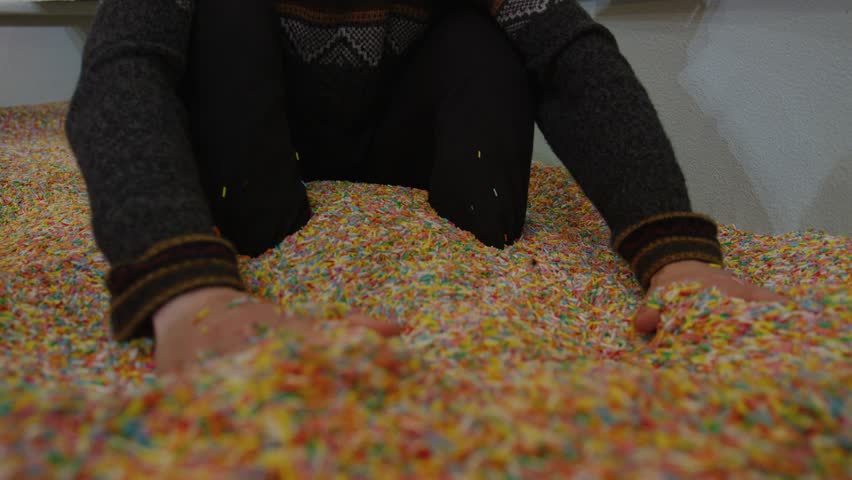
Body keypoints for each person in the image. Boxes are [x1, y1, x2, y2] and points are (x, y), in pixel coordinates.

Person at [65, 0, 785, 373]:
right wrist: (183, 287)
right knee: (223, 17)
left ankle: (472, 224)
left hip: (413, 159)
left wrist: (675, 253)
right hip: (252, 170)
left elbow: (574, 60)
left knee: (490, 32)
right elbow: (126, 66)